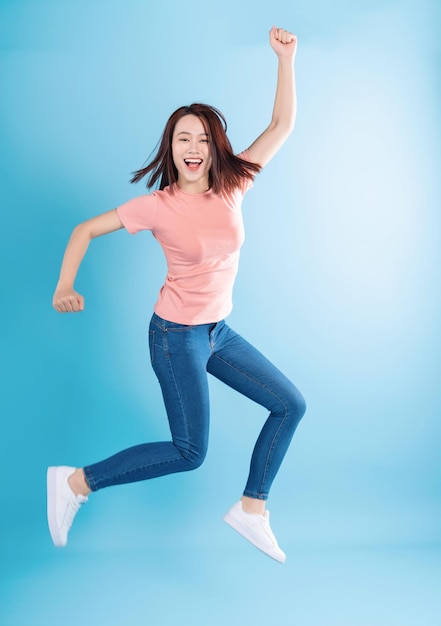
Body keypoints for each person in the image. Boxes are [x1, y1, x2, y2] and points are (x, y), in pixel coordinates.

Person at [47, 26, 306, 564]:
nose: (193, 147)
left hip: (218, 332)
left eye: (203, 139)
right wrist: (65, 284)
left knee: (289, 404)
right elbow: (83, 231)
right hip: (175, 337)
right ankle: (75, 482)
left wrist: (286, 59)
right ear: (171, 145)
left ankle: (252, 508)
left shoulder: (235, 184)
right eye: (183, 138)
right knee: (190, 452)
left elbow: (282, 124)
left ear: (217, 148)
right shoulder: (157, 206)